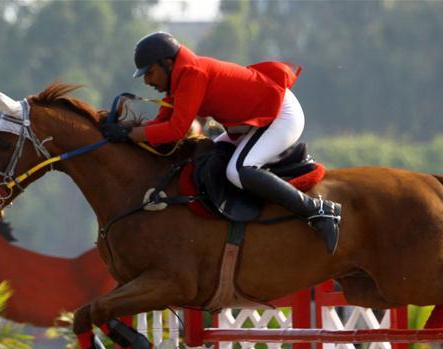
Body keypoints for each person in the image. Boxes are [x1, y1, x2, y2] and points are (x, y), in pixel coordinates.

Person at [101, 31, 341, 254]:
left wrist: (130, 135)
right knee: (210, 156)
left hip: (280, 114)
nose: (147, 81)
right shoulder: (180, 80)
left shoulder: (193, 74)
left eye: (149, 72)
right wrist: (126, 132)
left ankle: (318, 211)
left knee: (238, 171)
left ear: (168, 63)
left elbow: (175, 130)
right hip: (253, 120)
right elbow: (160, 122)